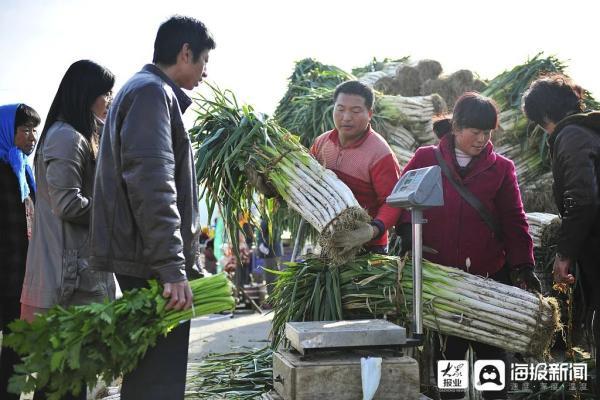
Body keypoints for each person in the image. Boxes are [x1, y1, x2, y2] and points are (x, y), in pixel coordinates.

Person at [88, 16, 215, 400]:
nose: (206, 73)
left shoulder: (145, 91)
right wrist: (171, 269)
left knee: (150, 370)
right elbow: (153, 185)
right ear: (185, 52)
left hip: (147, 258)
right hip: (149, 261)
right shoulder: (150, 94)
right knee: (160, 374)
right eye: (204, 61)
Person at [399, 92, 539, 400]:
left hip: (489, 278)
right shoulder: (425, 158)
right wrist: (408, 235)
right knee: (451, 362)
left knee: (492, 358)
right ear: (456, 128)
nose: (481, 139)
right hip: (444, 283)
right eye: (475, 132)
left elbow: (514, 220)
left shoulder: (501, 168)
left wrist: (523, 265)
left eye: (487, 132)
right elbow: (402, 202)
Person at [19, 60, 115, 400]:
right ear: (86, 94)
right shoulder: (65, 138)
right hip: (66, 279)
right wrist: (112, 212)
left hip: (73, 274)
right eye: (106, 92)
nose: (110, 99)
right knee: (62, 382)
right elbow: (68, 204)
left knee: (67, 380)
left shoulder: (77, 135)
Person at [522, 74, 600, 395]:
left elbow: (582, 200)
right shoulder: (589, 131)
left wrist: (564, 254)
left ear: (544, 118)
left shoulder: (570, 136)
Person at [310, 80, 402, 254]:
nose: (346, 117)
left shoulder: (380, 153)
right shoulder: (321, 143)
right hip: (327, 242)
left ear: (370, 114)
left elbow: (393, 203)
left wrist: (371, 231)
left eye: (356, 111)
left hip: (369, 248)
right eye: (341, 109)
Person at [0, 103, 40, 400]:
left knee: (17, 353)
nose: (32, 136)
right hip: (5, 278)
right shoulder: (4, 171)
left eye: (34, 130)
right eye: (25, 130)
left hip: (20, 281)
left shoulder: (24, 170)